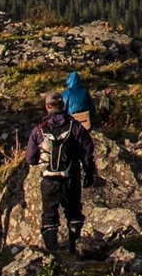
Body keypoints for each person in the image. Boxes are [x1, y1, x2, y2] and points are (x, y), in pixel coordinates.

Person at [25, 90, 100, 257]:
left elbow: (30, 159)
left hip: (48, 180)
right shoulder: (76, 127)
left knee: (49, 214)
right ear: (63, 105)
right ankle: (74, 248)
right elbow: (87, 151)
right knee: (74, 211)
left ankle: (52, 252)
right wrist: (89, 172)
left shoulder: (38, 130)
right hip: (70, 177)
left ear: (47, 107)